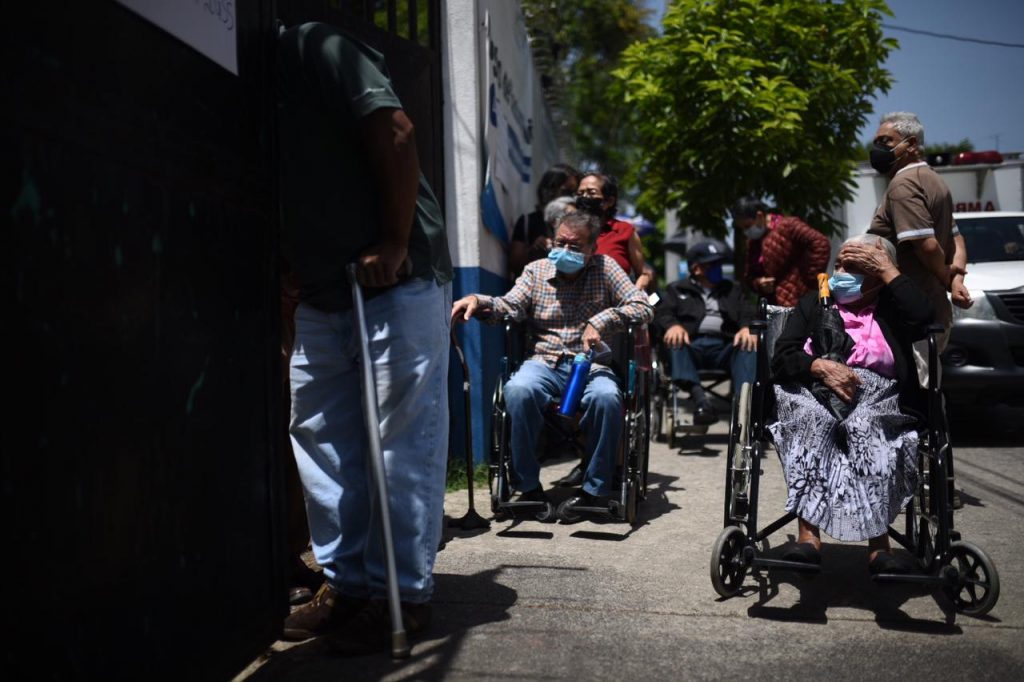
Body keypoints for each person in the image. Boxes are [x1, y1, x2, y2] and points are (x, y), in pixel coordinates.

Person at [276, 22, 453, 654]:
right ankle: (347, 585)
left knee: (398, 441)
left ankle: (401, 593)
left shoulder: (315, 49)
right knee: (321, 434)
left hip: (396, 277)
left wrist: (396, 239)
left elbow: (396, 131)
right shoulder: (238, 85)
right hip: (325, 284)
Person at [451, 211, 653, 512]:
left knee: (608, 398)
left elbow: (642, 306)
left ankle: (594, 490)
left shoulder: (606, 267)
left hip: (592, 364)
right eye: (561, 242)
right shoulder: (535, 271)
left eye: (575, 246)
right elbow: (509, 306)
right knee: (518, 390)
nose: (566, 250)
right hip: (543, 361)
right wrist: (479, 301)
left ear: (592, 248)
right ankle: (528, 486)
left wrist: (602, 320)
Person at [769, 234, 933, 573]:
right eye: (838, 265)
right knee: (810, 424)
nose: (840, 272)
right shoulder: (815, 302)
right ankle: (807, 537)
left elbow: (924, 316)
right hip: (815, 388)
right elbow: (783, 357)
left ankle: (879, 545)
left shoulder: (892, 306)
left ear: (878, 274)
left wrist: (889, 270)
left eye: (854, 267)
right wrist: (816, 366)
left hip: (879, 394)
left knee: (866, 428)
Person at [865, 111, 972, 386]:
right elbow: (957, 239)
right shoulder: (935, 181)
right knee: (930, 388)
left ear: (911, 144)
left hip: (913, 313)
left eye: (887, 141)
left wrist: (946, 277)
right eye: (877, 142)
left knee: (919, 393)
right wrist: (955, 278)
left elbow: (926, 244)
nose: (878, 149)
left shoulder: (903, 184)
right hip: (931, 308)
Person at [653, 240, 757, 425]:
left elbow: (747, 311)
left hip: (725, 346)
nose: (718, 267)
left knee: (749, 345)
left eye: (719, 263)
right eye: (712, 264)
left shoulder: (732, 289)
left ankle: (745, 405)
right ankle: (701, 401)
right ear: (696, 268)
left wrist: (746, 327)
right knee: (674, 341)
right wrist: (672, 325)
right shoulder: (677, 289)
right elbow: (663, 312)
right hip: (691, 347)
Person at [730, 197, 831, 307]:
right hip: (772, 306)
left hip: (799, 302)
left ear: (759, 216)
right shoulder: (752, 243)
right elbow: (749, 275)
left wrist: (810, 279)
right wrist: (759, 283)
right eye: (742, 228)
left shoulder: (788, 226)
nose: (746, 231)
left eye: (747, 226)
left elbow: (820, 243)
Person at [575, 172, 652, 292]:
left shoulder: (624, 231)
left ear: (609, 201)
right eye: (580, 193)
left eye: (591, 193)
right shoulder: (569, 230)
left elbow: (642, 273)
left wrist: (642, 283)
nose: (584, 197)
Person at [509, 164, 580, 275]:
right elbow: (514, 263)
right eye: (567, 191)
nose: (571, 198)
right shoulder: (528, 221)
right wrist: (534, 249)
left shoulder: (580, 224)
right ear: (549, 189)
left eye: (575, 193)